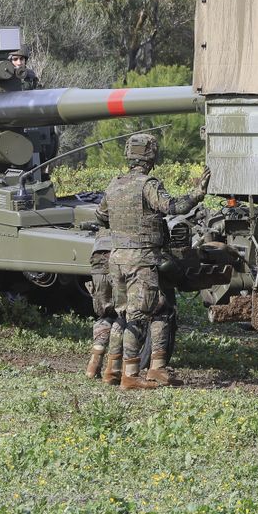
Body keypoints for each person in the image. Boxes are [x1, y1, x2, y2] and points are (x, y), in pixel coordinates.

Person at [95, 133, 209, 389]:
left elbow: (101, 216)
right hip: (142, 261)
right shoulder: (148, 184)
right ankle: (132, 375)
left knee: (123, 315)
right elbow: (172, 207)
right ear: (151, 157)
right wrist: (197, 194)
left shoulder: (115, 184)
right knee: (145, 315)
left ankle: (112, 370)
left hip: (117, 259)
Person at [86, 234, 121, 383]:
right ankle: (113, 371)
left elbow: (101, 215)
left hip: (99, 257)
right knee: (123, 315)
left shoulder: (107, 209)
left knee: (105, 314)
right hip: (122, 256)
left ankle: (93, 366)